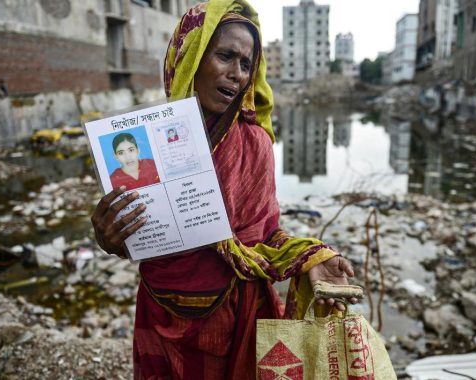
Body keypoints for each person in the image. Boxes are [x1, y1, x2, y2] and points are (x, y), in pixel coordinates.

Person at [91, 1, 357, 378]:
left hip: (235, 317)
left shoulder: (254, 143)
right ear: (191, 57)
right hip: (161, 307)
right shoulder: (143, 141)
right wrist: (110, 235)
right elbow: (140, 230)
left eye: (246, 64)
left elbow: (265, 235)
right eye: (225, 56)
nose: (236, 74)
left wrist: (311, 256)